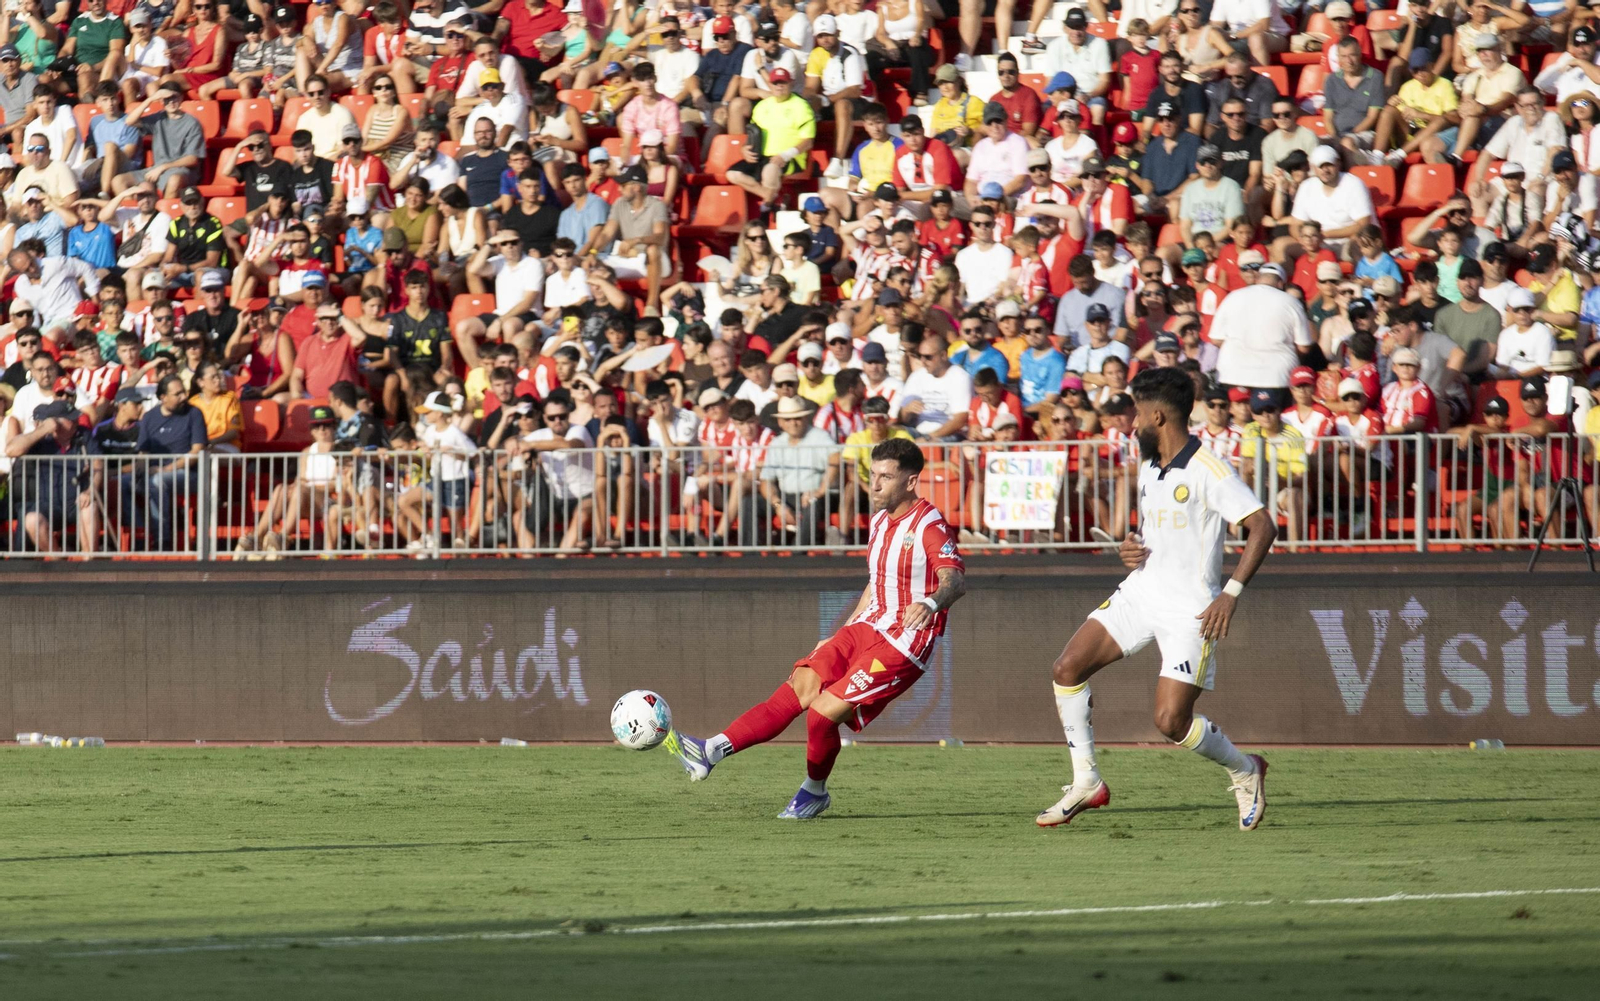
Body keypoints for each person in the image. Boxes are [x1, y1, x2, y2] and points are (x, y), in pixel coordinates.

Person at [665, 436, 965, 819]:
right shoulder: (877, 521)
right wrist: (847, 628)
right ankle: (710, 751)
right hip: (867, 627)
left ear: (910, 482)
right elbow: (876, 582)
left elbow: (954, 580)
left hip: (905, 643)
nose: (874, 484)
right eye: (872, 475)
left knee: (822, 714)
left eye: (886, 477)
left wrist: (931, 601)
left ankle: (814, 791)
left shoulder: (929, 524)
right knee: (800, 685)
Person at [1038, 367, 1273, 829]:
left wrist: (1230, 594)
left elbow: (1262, 524)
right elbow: (1154, 534)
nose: (1132, 423)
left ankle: (1246, 769)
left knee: (1170, 721)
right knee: (1066, 668)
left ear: (1160, 416)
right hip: (1142, 591)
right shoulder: (1148, 463)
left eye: (1138, 414)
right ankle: (1087, 781)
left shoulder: (1210, 469)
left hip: (1191, 609)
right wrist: (1133, 547)